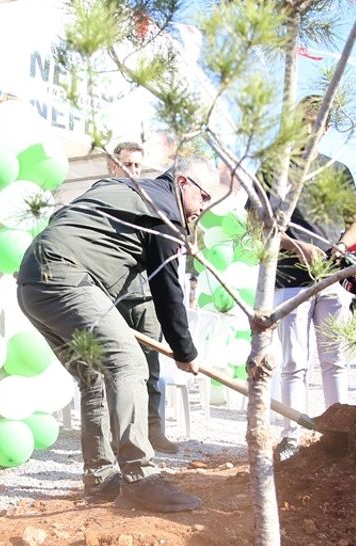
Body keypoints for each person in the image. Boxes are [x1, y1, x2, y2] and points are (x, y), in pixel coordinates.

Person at [17, 158, 212, 513]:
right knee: (127, 362)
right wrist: (185, 350)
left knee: (92, 378)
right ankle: (140, 478)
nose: (203, 207)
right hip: (65, 277)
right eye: (203, 196)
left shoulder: (118, 189)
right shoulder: (163, 211)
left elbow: (67, 227)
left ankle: (100, 478)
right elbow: (167, 289)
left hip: (32, 280)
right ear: (182, 182)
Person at [270, 97, 356, 460]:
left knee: (334, 358)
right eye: (306, 120)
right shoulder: (276, 169)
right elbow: (258, 224)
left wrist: (341, 246)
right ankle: (291, 432)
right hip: (290, 279)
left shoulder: (338, 170)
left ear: (326, 129)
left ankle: (336, 432)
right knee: (294, 361)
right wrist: (296, 246)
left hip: (333, 279)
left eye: (319, 122)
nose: (312, 127)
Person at [105, 141, 180, 453]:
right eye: (127, 164)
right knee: (116, 370)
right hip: (112, 299)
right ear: (113, 165)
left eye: (137, 165)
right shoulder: (103, 197)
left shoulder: (152, 199)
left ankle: (153, 431)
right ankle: (119, 437)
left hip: (147, 298)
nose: (132, 170)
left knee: (150, 370)